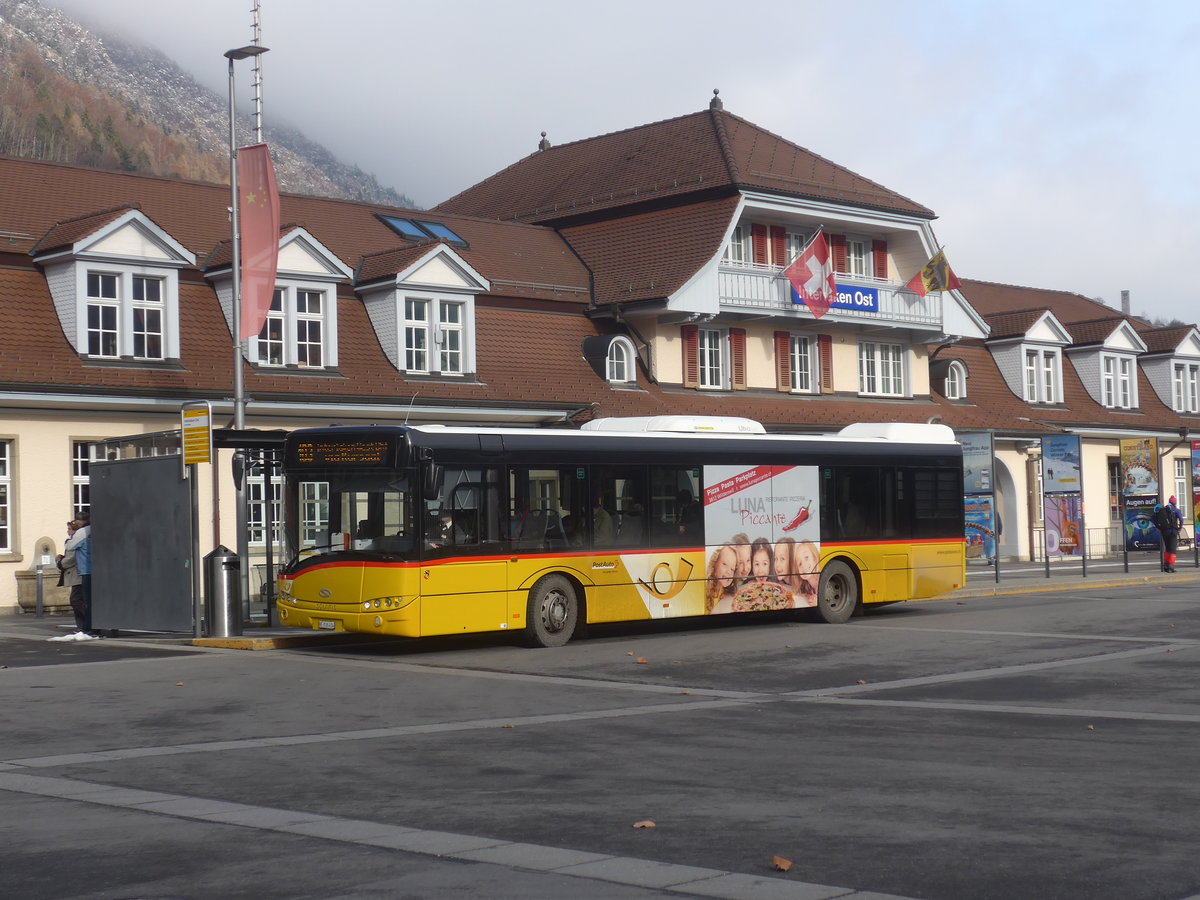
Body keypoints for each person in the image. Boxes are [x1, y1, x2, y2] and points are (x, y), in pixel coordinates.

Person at [704, 543, 738, 614]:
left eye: (732, 569)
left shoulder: (723, 589)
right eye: (725, 564)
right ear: (714, 563)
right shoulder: (704, 589)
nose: (729, 572)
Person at [1152, 502, 1180, 573]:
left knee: (1167, 549)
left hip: (1164, 531)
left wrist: (1158, 527)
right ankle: (1171, 567)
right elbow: (1181, 520)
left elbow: (1152, 519)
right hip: (1172, 531)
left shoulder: (1159, 511)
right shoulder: (1174, 510)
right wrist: (1180, 528)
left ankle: (1166, 565)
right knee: (1172, 550)